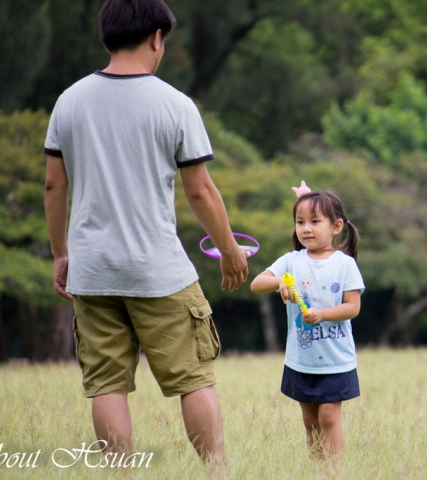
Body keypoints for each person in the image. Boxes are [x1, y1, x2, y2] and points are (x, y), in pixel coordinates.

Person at [43, 0, 249, 465]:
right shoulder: (175, 103)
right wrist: (230, 249)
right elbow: (200, 191)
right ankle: (216, 474)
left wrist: (62, 253)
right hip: (158, 271)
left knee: (107, 384)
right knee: (193, 377)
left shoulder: (69, 100)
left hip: (92, 270)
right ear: (157, 36)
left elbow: (55, 185)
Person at [250, 187, 364, 459]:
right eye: (300, 222)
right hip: (301, 359)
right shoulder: (291, 261)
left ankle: (334, 473)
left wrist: (322, 314)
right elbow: (257, 284)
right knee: (310, 421)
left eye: (315, 221)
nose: (306, 229)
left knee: (328, 416)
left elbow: (353, 307)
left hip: (336, 360)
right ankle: (318, 470)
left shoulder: (344, 264)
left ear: (336, 226)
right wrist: (281, 282)